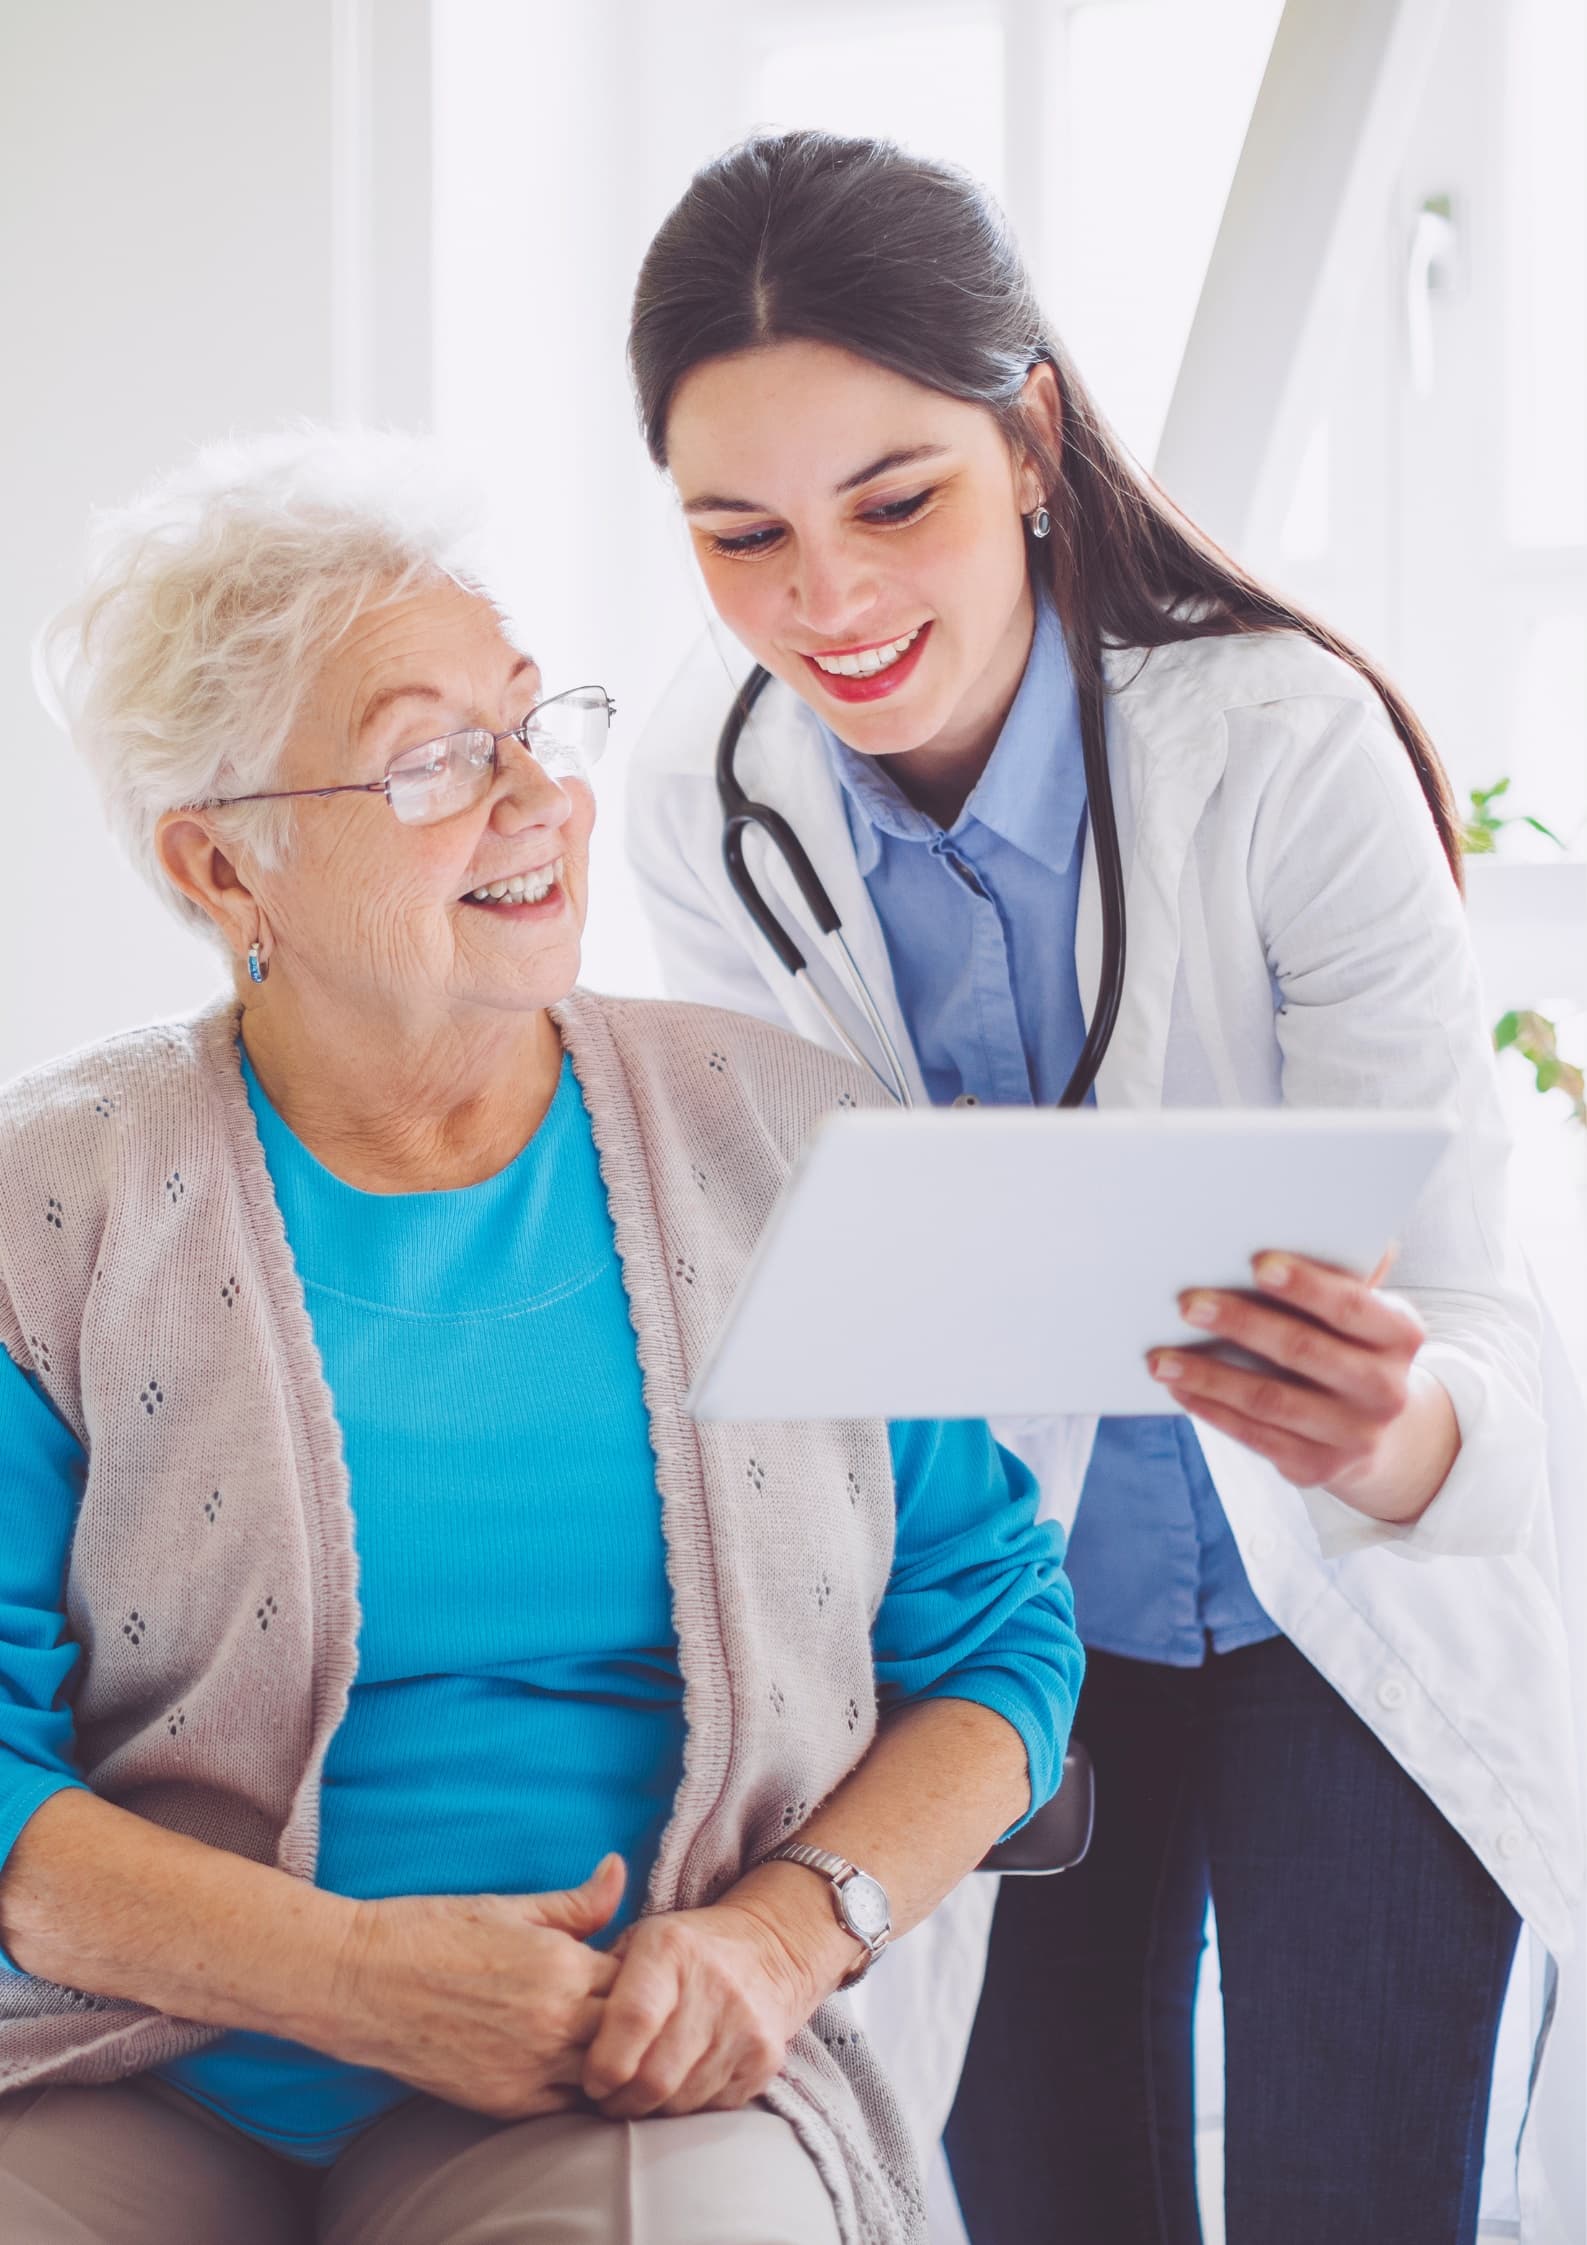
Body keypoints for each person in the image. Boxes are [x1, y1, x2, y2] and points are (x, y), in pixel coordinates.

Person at [622, 131, 1580, 2245]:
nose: (831, 604)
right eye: (739, 536)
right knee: (1036, 2205)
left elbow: (1474, 1311)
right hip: (995, 1632)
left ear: (1031, 435)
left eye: (897, 501)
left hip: (1340, 1615)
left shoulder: (1281, 744)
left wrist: (1398, 1423)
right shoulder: (711, 792)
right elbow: (809, 1250)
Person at [0, 428, 1083, 2245]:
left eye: (530, 723)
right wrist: (344, 1974)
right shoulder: (58, 1206)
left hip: (626, 2077)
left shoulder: (788, 1137)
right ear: (223, 867)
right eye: (429, 757)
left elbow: (996, 1636)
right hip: (132, 2062)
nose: (533, 798)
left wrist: (781, 1929)